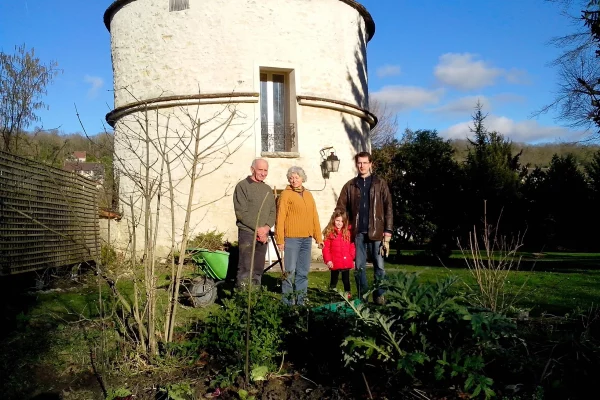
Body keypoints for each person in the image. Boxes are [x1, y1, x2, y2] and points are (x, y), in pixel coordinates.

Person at [336, 151, 393, 304]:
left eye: (365, 162)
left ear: (370, 164)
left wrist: (387, 233)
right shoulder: (350, 185)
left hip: (377, 231)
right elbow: (340, 207)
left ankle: (380, 295)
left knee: (379, 265)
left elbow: (388, 208)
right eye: (359, 163)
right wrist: (341, 225)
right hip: (358, 232)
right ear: (357, 164)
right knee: (359, 267)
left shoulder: (380, 183)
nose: (362, 166)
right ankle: (363, 295)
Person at [275, 166, 323, 305]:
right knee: (289, 271)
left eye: (296, 177)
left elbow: (314, 217)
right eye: (291, 178)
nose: (294, 180)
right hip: (291, 239)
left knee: (303, 271)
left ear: (302, 178)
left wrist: (318, 238)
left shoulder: (308, 194)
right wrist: (280, 239)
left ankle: (301, 300)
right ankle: (288, 302)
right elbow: (280, 218)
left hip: (306, 239)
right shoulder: (286, 194)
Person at [233, 158, 276, 286]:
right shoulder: (242, 186)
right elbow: (241, 213)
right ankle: (242, 299)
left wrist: (266, 228)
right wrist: (259, 229)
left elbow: (273, 211)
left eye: (265, 170)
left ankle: (255, 297)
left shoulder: (267, 189)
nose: (263, 173)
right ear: (252, 169)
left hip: (263, 235)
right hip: (247, 233)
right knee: (245, 268)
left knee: (258, 269)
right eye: (260, 170)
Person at [322, 210, 355, 299]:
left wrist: (351, 256)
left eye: (342, 221)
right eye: (337, 220)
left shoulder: (347, 232)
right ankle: (332, 295)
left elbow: (352, 245)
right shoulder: (330, 233)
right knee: (334, 280)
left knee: (346, 280)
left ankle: (348, 296)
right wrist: (328, 260)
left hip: (346, 261)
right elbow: (326, 248)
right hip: (334, 261)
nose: (340, 223)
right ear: (333, 220)